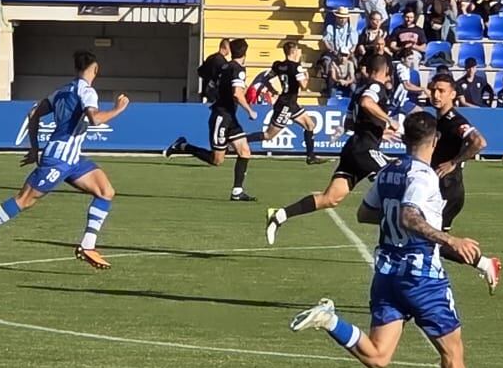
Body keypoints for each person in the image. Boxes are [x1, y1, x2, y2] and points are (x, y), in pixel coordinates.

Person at [285, 113, 496, 368]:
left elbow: (364, 213)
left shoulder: (389, 171)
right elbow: (411, 217)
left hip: (386, 274)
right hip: (421, 278)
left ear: (403, 139)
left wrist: (393, 210)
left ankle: (329, 321)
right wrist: (449, 239)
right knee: (452, 351)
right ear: (435, 141)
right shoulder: (423, 176)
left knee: (379, 357)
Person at [0, 49, 131, 270]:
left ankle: (87, 246)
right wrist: (119, 108)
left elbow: (34, 113)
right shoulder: (87, 92)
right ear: (95, 69)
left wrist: (34, 148)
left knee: (106, 191)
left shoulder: (61, 92)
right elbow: (95, 120)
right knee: (24, 200)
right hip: (58, 160)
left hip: (72, 160)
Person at [264, 54, 397, 243]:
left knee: (331, 198)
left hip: (353, 148)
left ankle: (279, 215)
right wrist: (389, 120)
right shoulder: (376, 87)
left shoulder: (359, 89)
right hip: (363, 149)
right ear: (387, 71)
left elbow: (350, 123)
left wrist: (379, 133)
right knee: (394, 178)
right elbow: (367, 103)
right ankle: (398, 235)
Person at [422, 75, 500, 291]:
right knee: (432, 240)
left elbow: (479, 142)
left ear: (453, 94)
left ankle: (431, 288)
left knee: (432, 240)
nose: (436, 95)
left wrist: (454, 162)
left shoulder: (455, 121)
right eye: (433, 90)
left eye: (441, 91)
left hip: (449, 189)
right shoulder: (439, 119)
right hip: (438, 190)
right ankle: (485, 264)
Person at [164, 36, 256, 201]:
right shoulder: (237, 69)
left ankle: (237, 191)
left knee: (245, 151)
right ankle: (184, 146)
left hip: (229, 116)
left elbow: (205, 74)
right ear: (245, 53)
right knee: (217, 160)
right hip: (222, 116)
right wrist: (250, 110)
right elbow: (237, 93)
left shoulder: (225, 67)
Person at [254, 38, 325, 167]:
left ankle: (311, 156)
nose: (299, 52)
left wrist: (272, 90)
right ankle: (238, 141)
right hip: (286, 105)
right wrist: (307, 76)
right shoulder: (296, 67)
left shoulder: (278, 65)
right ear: (293, 51)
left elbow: (266, 78)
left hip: (290, 103)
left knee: (310, 125)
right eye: (297, 50)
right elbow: (303, 86)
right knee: (269, 135)